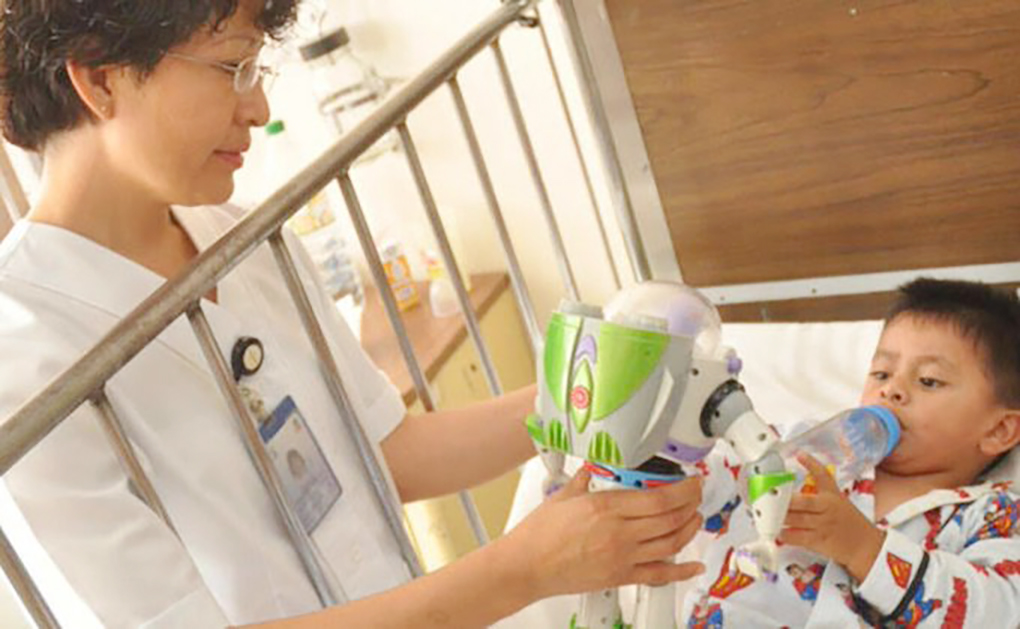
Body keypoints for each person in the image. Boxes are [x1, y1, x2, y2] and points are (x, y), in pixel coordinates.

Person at [0, 1, 706, 627]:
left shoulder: (242, 236)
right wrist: (522, 570)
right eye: (232, 67)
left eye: (256, 69)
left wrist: (585, 397)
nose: (258, 109)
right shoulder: (24, 362)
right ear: (101, 79)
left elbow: (384, 452)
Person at [682, 278, 1020, 627]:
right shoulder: (802, 446)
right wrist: (679, 482)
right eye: (881, 374)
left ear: (999, 430)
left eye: (928, 381)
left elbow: (999, 612)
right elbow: (711, 473)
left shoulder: (994, 515)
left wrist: (864, 548)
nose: (891, 390)